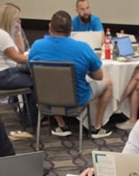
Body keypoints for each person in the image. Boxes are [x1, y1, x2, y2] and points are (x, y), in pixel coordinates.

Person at [28, 10, 113, 139]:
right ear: (71, 29)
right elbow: (99, 76)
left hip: (46, 100)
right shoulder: (83, 48)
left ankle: (61, 125)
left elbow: (34, 73)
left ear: (50, 26)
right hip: (77, 100)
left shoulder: (36, 46)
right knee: (107, 82)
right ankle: (97, 127)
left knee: (50, 83)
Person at [0, 3, 37, 126]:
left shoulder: (4, 33)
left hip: (5, 72)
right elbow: (17, 58)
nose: (19, 21)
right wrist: (37, 57)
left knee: (33, 78)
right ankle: (30, 119)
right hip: (1, 76)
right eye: (17, 19)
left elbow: (21, 51)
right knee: (36, 83)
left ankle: (28, 116)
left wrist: (18, 32)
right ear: (10, 18)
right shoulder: (0, 35)